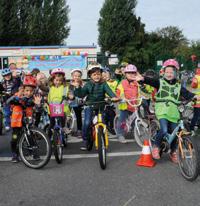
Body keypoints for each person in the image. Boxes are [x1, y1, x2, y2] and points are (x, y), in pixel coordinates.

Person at [134, 59, 200, 163]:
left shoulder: (178, 86)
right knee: (164, 129)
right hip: (162, 110)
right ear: (163, 72)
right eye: (167, 72)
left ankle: (173, 152)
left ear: (175, 73)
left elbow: (187, 94)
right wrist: (143, 79)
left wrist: (196, 96)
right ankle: (156, 146)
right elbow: (152, 81)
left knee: (175, 133)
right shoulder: (160, 82)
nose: (169, 74)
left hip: (174, 112)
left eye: (171, 72)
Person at [73, 64, 119, 150]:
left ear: (101, 74)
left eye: (98, 74)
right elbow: (81, 94)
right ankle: (85, 140)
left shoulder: (104, 84)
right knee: (87, 123)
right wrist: (77, 87)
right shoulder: (88, 84)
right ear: (90, 75)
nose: (97, 76)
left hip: (101, 106)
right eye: (94, 74)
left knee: (103, 122)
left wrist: (114, 97)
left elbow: (109, 92)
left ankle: (103, 138)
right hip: (89, 106)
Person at [7, 75, 41, 162]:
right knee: (15, 137)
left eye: (31, 91)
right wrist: (16, 98)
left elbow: (38, 110)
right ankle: (15, 154)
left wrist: (38, 104)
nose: (29, 93)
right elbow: (8, 101)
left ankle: (33, 152)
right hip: (16, 122)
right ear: (23, 89)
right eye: (27, 90)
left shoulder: (34, 98)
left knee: (30, 136)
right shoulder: (18, 95)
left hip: (27, 121)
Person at [116, 64, 140, 143]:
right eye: (129, 73)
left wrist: (144, 96)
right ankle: (120, 134)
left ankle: (136, 132)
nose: (131, 74)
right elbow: (118, 92)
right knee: (122, 120)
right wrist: (120, 98)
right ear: (125, 74)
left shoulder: (137, 83)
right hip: (125, 105)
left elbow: (140, 92)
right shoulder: (122, 83)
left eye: (133, 73)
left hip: (134, 105)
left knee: (136, 119)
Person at [48, 68, 73, 139]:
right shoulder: (50, 88)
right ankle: (48, 138)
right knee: (51, 124)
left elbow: (70, 93)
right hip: (52, 108)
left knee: (63, 119)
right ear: (53, 80)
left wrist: (70, 96)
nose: (58, 82)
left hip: (63, 108)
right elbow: (44, 90)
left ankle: (64, 127)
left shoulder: (65, 87)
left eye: (60, 80)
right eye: (56, 80)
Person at [102, 67, 118, 135]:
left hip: (113, 100)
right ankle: (105, 128)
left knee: (112, 115)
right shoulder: (101, 83)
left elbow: (118, 90)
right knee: (104, 116)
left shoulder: (115, 82)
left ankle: (112, 127)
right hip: (103, 100)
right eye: (103, 73)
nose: (105, 75)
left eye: (106, 73)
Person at [69, 69, 84, 137]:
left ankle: (79, 130)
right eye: (75, 76)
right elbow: (69, 93)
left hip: (79, 103)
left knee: (78, 116)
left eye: (78, 76)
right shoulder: (70, 84)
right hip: (71, 102)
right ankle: (69, 128)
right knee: (68, 116)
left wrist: (78, 86)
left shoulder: (82, 84)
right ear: (72, 76)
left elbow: (82, 94)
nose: (77, 77)